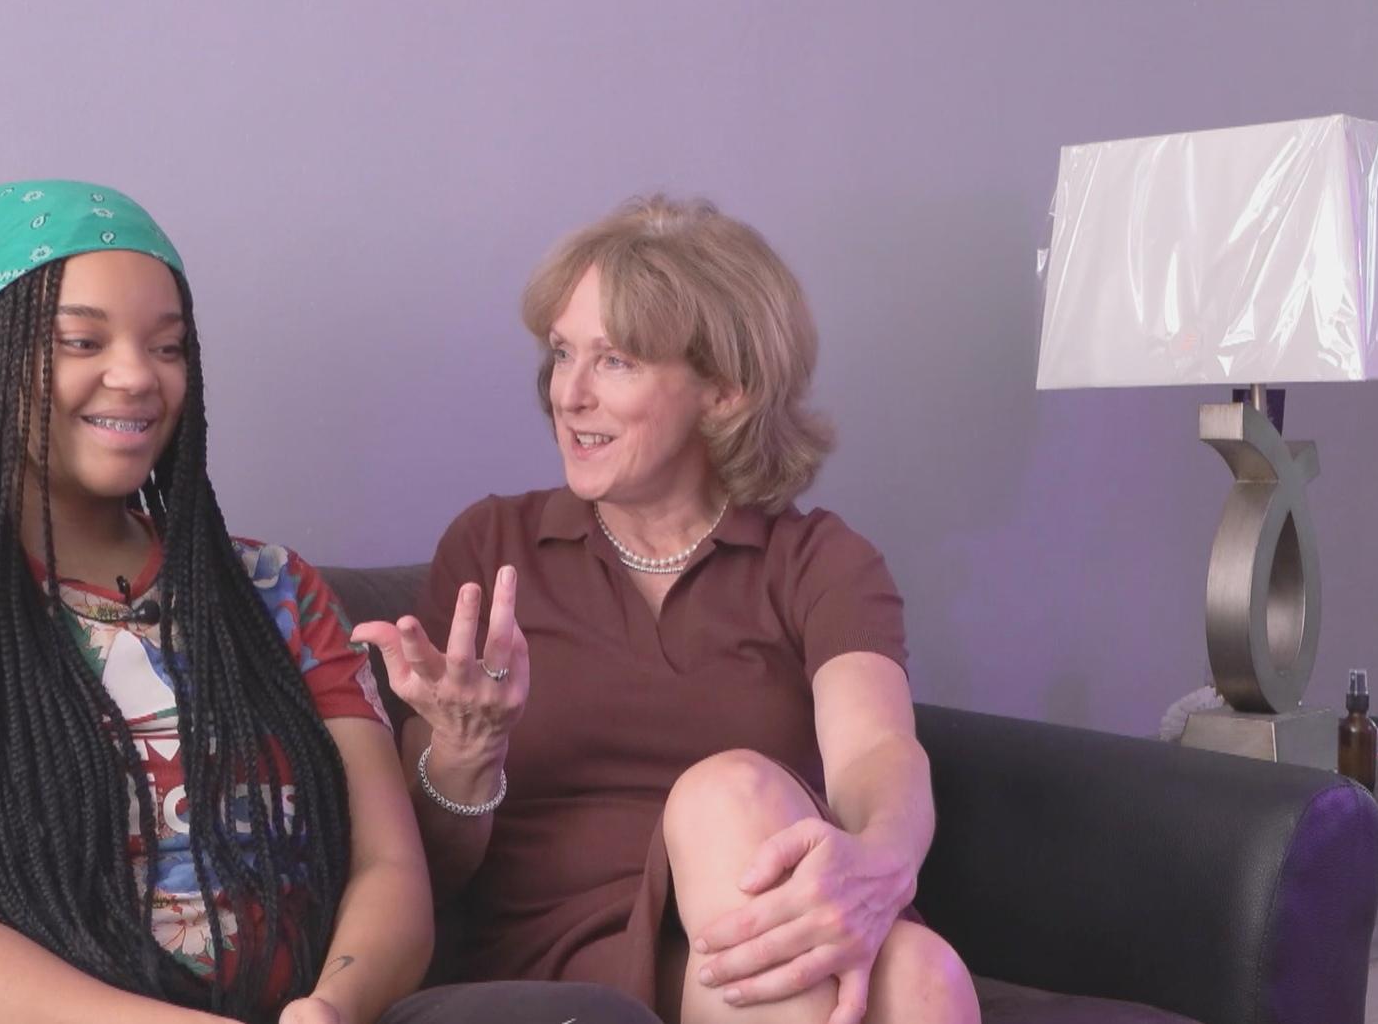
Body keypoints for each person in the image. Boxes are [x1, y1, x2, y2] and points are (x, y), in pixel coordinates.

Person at [0, 180, 652, 1024]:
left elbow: (388, 868)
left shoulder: (274, 590)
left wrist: (331, 1008)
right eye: (82, 340)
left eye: (168, 344)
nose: (138, 375)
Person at [355, 196, 980, 1024]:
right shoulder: (492, 546)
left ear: (724, 392)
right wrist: (467, 753)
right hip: (567, 955)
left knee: (921, 972)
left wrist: (882, 865)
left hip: (759, 928)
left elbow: (875, 751)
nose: (567, 396)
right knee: (733, 797)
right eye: (561, 355)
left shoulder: (820, 561)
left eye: (614, 362)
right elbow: (429, 867)